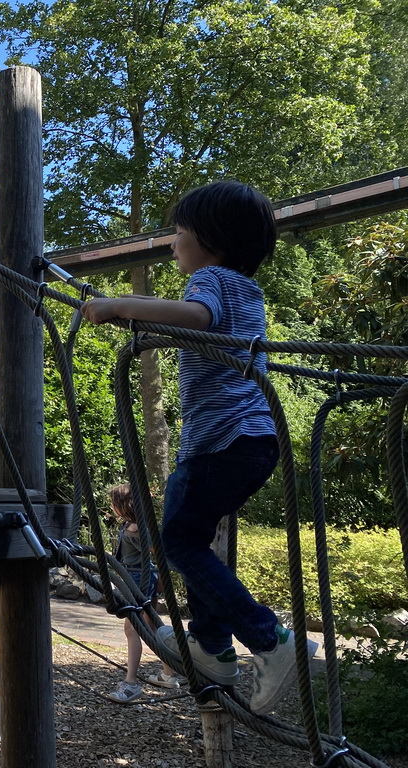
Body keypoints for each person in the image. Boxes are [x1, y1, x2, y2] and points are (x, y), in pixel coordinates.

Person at [80, 180, 317, 714]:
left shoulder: (211, 281)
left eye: (179, 232)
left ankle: (272, 641)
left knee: (178, 543)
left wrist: (118, 301)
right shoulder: (244, 289)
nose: (172, 242)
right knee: (193, 539)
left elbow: (196, 317)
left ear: (212, 240)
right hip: (250, 442)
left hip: (223, 443)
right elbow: (195, 326)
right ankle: (213, 650)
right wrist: (129, 315)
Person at [106, 483, 182, 703]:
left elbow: (157, 551)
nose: (111, 506)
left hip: (138, 579)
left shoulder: (136, 529)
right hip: (138, 577)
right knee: (150, 625)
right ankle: (168, 674)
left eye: (114, 502)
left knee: (132, 629)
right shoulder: (131, 525)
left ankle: (131, 684)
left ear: (123, 505)